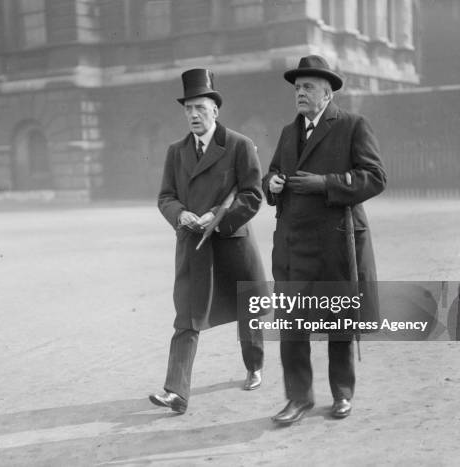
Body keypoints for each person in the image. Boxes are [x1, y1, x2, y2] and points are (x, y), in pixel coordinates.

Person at [262, 55, 387, 425]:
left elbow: (375, 176)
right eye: (297, 87)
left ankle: (341, 394)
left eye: (308, 87)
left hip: (336, 242)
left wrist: (325, 184)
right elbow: (271, 174)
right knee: (292, 323)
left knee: (339, 321)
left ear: (327, 92)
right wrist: (272, 184)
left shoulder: (352, 125)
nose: (300, 93)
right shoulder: (288, 132)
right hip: (294, 245)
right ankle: (297, 399)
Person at [149, 68, 267, 414]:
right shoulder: (176, 151)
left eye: (200, 107)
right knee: (187, 315)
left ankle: (254, 365)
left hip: (231, 240)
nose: (194, 115)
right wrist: (181, 214)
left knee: (248, 309)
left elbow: (252, 195)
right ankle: (176, 392)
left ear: (215, 110)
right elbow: (165, 197)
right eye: (188, 109)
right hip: (193, 245)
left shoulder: (239, 145)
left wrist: (218, 217)